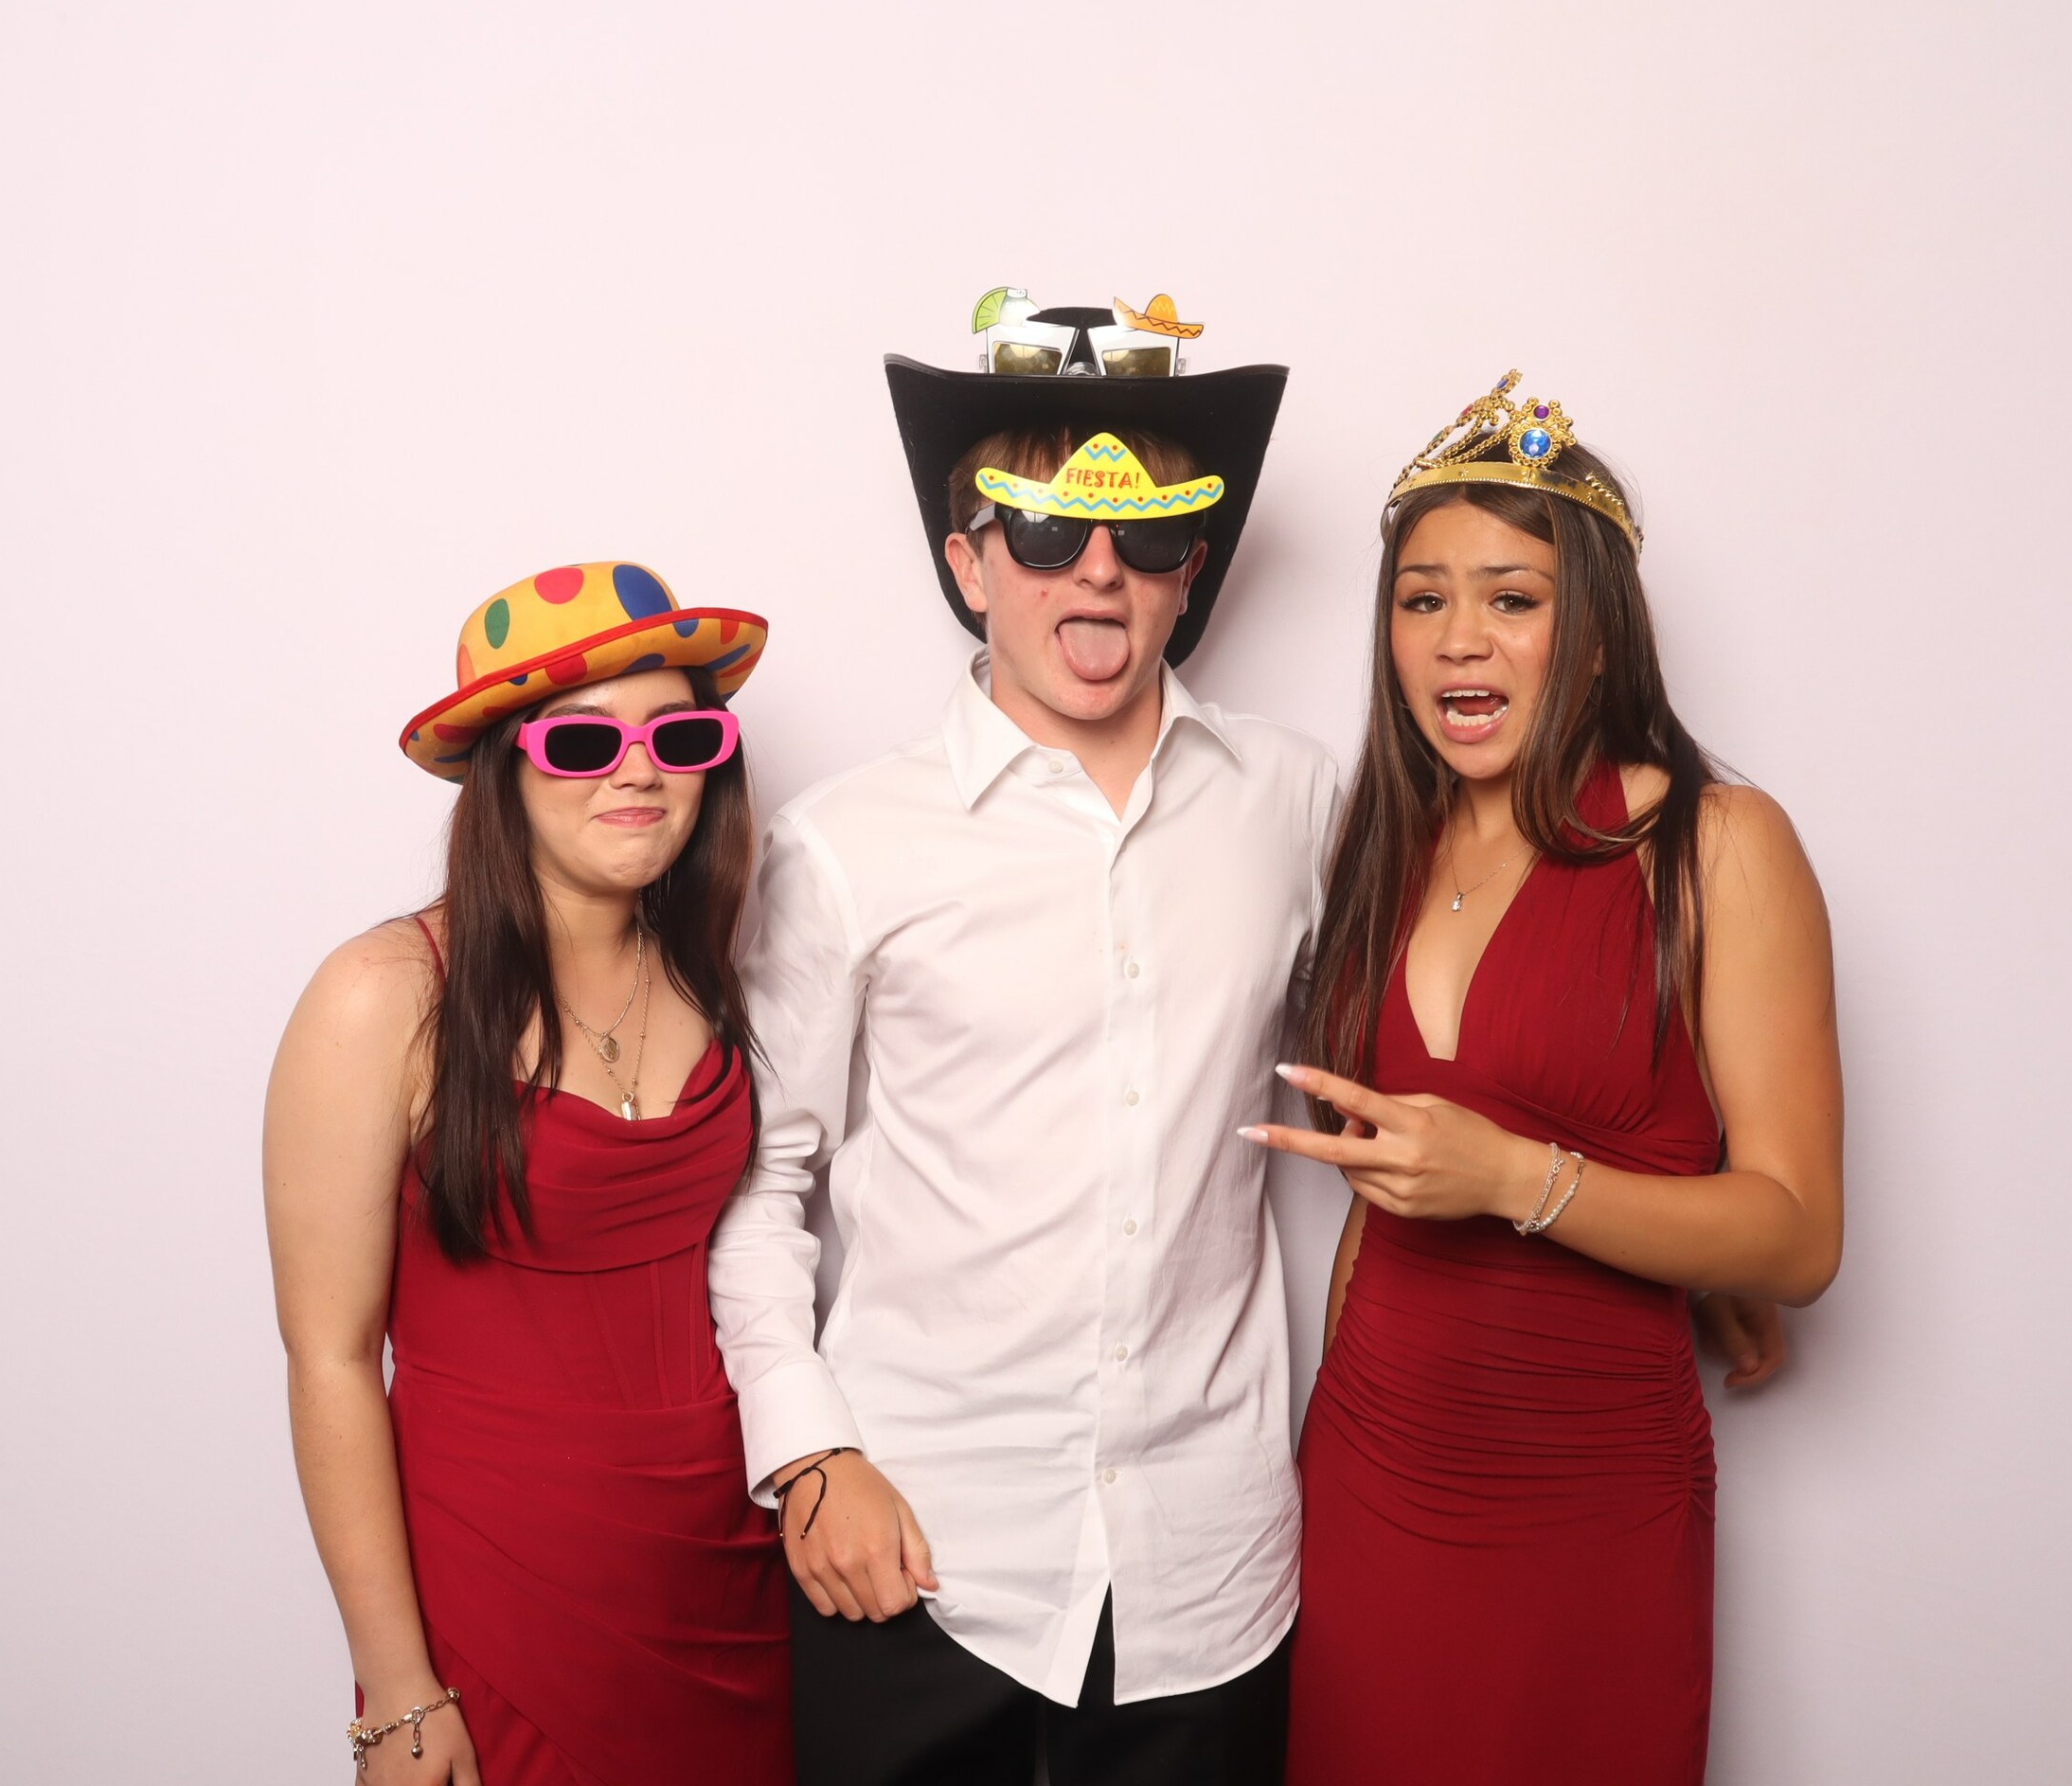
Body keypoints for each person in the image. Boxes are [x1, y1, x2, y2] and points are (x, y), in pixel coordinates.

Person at [706, 290, 1327, 1785]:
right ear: (968, 562)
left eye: (1146, 537)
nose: (1097, 570)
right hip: (917, 1550)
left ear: (1191, 570)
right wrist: (807, 1452)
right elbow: (758, 1180)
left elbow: (1431, 1032)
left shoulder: (1302, 805)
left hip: (1209, 1572)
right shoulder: (843, 845)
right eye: (1044, 533)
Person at [1246, 372, 1844, 1784]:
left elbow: (1800, 1239)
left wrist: (1521, 1180)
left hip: (1592, 1509)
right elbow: (1382, 1194)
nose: (1461, 637)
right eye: (1423, 599)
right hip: (1369, 1483)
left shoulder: (1716, 844)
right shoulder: (1381, 847)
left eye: (1512, 598)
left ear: (1596, 633)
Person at [265, 562, 792, 1784]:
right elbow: (329, 1359)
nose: (639, 770)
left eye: (680, 736)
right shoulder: (384, 995)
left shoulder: (714, 973)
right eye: (583, 741)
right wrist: (397, 1689)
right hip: (498, 1596)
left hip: (724, 1579)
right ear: (503, 771)